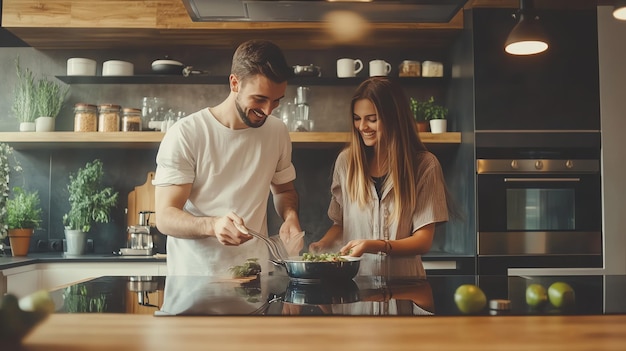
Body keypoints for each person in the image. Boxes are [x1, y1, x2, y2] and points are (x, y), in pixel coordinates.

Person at [153, 39, 303, 276]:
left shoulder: (277, 131)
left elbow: (284, 191)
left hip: (253, 280)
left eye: (276, 101)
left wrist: (290, 217)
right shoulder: (187, 133)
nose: (267, 111)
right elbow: (165, 216)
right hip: (194, 282)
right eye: (260, 99)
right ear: (235, 83)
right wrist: (213, 225)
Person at [309, 77, 450, 278]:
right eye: (357, 118)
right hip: (356, 286)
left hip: (405, 284)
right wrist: (323, 244)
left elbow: (423, 241)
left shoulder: (424, 165)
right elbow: (341, 224)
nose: (362, 126)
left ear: (394, 117)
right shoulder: (346, 162)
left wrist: (374, 246)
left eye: (372, 119)